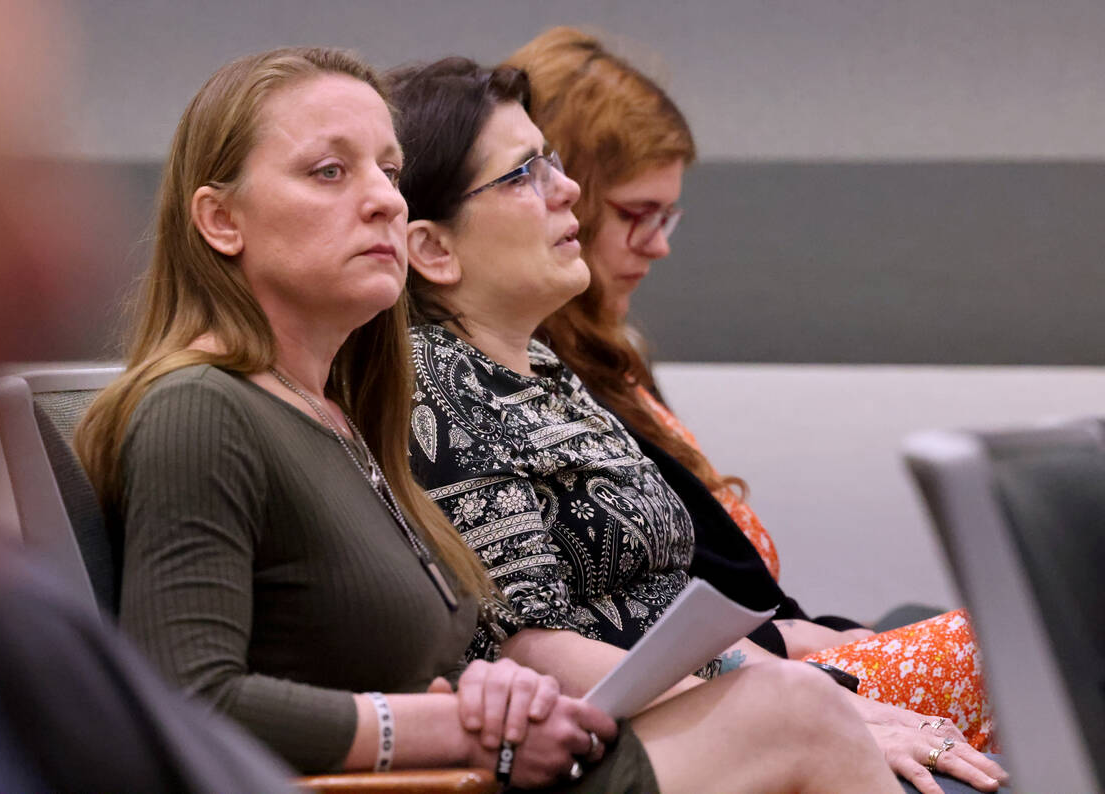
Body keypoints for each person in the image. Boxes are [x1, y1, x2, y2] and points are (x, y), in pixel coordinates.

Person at [74, 45, 903, 794]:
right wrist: (438, 725)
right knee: (797, 713)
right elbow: (182, 701)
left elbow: (377, 658)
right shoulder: (201, 410)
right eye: (330, 172)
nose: (382, 203)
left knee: (793, 702)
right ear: (221, 220)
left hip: (482, 767)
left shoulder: (335, 414)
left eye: (389, 173)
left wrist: (493, 695)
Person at [392, 56, 1007, 794]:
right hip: (611, 745)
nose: (568, 191)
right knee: (1018, 652)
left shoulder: (541, 371)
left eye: (552, 162)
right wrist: (835, 707)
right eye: (523, 174)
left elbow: (681, 613)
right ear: (432, 248)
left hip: (713, 698)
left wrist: (830, 697)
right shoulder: (437, 383)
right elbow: (532, 649)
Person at [0, 2, 302, 791]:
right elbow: (204, 686)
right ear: (219, 220)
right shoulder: (198, 412)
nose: (52, 263)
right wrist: (422, 725)